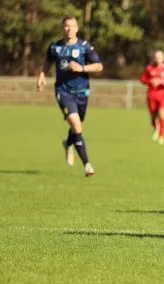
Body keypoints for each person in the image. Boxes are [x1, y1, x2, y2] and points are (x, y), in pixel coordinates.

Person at [37, 16, 103, 177]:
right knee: (76, 125)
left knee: (77, 127)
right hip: (63, 91)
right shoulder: (55, 47)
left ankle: (68, 143)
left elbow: (99, 66)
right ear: (62, 27)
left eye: (72, 26)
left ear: (77, 28)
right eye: (66, 26)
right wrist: (42, 75)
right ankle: (87, 165)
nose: (69, 29)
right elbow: (48, 62)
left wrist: (81, 68)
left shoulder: (84, 47)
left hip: (82, 93)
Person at [140, 50, 164, 144]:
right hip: (151, 95)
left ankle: (161, 136)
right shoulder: (149, 68)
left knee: (162, 115)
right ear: (154, 58)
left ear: (163, 58)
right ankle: (156, 129)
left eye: (159, 57)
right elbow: (142, 79)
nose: (158, 59)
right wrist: (150, 81)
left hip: (163, 95)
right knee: (153, 118)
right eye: (156, 57)